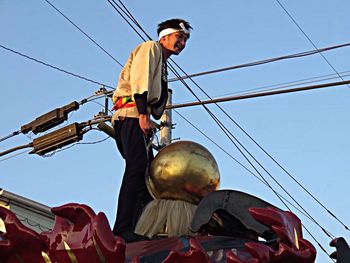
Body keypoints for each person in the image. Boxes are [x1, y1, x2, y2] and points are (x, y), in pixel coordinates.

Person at [111, 18, 192, 242]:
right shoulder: (151, 48)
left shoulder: (163, 61)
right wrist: (144, 116)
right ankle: (122, 229)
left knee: (146, 178)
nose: (182, 42)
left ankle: (138, 229)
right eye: (179, 37)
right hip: (132, 115)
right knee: (137, 169)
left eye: (185, 39)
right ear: (164, 36)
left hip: (138, 116)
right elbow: (140, 81)